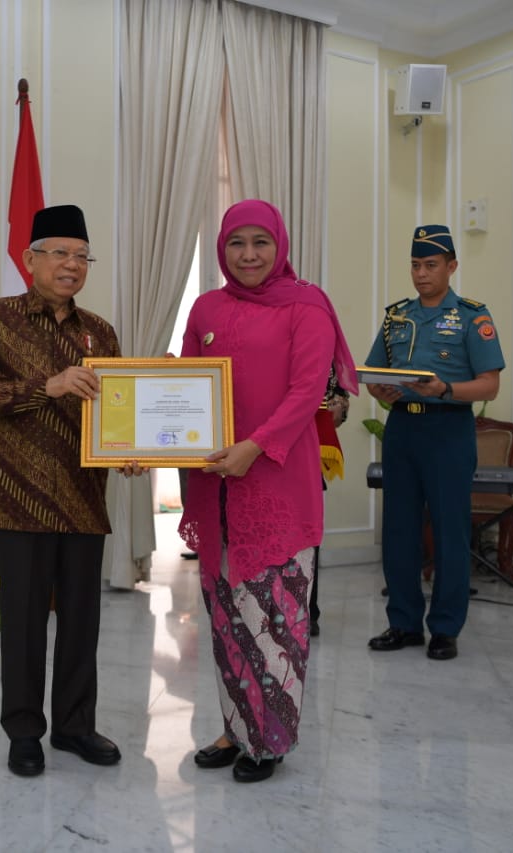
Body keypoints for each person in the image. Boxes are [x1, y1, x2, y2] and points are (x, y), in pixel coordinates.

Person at [180, 199, 357, 783]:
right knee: (226, 619)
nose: (249, 254)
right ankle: (234, 729)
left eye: (260, 242)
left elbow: (309, 391)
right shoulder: (206, 306)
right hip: (215, 490)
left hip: (277, 483)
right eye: (237, 243)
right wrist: (149, 441)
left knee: (275, 625)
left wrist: (253, 448)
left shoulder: (306, 305)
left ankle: (270, 739)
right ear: (222, 249)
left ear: (279, 245)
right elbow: (184, 388)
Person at [0, 204, 124, 778]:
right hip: (18, 497)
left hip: (83, 498)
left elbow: (118, 412)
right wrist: (48, 385)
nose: (72, 265)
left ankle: (76, 727)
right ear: (30, 259)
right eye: (60, 253)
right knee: (24, 626)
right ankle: (24, 732)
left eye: (82, 256)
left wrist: (130, 450)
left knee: (82, 624)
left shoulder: (100, 331)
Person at [363, 225, 504, 661]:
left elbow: (489, 386)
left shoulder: (472, 317)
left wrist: (444, 390)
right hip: (404, 429)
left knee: (449, 531)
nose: (421, 274)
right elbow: (373, 374)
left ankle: (445, 627)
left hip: (448, 431)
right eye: (415, 265)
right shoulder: (396, 318)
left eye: (430, 265)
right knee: (400, 531)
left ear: (451, 266)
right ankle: (403, 623)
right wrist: (380, 391)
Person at [308, 375, 350, 637]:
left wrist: (334, 407)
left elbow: (339, 408)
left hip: (305, 448)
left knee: (306, 539)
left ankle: (307, 612)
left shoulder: (319, 340)